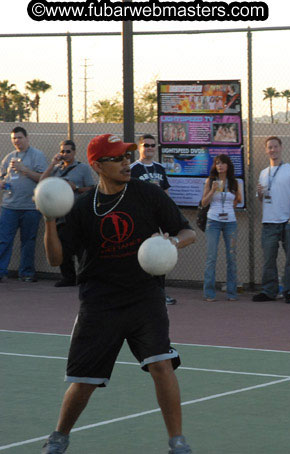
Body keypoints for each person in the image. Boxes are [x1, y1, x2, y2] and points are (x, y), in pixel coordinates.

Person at [41, 134, 196, 454]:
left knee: (161, 364)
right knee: (84, 380)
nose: (127, 162)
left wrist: (171, 244)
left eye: (128, 156)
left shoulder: (148, 195)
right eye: (118, 158)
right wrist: (49, 222)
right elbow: (56, 260)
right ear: (97, 165)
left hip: (144, 296)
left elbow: (188, 231)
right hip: (99, 302)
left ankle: (177, 442)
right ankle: (59, 436)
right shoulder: (83, 208)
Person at [252, 136, 290, 303]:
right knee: (268, 258)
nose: (273, 150)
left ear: (281, 148)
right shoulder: (263, 173)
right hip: (269, 222)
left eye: (275, 147)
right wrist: (260, 194)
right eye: (270, 147)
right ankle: (269, 291)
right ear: (266, 150)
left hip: (286, 222)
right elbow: (261, 198)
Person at [39, 139, 96, 287]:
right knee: (63, 247)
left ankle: (85, 276)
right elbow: (42, 181)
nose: (65, 154)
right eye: (63, 151)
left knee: (81, 248)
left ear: (74, 152)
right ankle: (68, 277)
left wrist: (75, 187)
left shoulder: (82, 168)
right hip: (60, 213)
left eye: (68, 151)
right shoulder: (57, 169)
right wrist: (52, 164)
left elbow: (91, 188)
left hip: (77, 212)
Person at [130, 133, 177, 305]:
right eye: (146, 145)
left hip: (158, 218)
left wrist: (168, 212)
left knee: (161, 253)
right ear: (140, 147)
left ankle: (160, 293)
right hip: (140, 219)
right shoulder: (133, 168)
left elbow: (165, 192)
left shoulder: (159, 168)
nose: (149, 148)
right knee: (141, 256)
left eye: (152, 145)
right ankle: (139, 294)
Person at [0, 126, 48, 283]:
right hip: (9, 206)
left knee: (28, 241)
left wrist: (24, 170)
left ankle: (26, 272)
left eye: (19, 137)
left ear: (27, 138)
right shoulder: (8, 157)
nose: (16, 141)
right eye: (14, 138)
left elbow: (43, 178)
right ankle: (1, 271)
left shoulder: (37, 156)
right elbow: (2, 177)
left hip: (30, 207)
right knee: (4, 239)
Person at [201, 154, 241, 302]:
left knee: (231, 256)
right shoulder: (210, 181)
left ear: (228, 166)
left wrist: (231, 203)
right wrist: (212, 190)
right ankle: (209, 293)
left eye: (223, 163)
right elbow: (204, 203)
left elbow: (238, 199)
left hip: (230, 222)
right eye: (217, 163)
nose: (220, 166)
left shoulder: (234, 182)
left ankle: (232, 293)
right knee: (211, 257)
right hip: (213, 221)